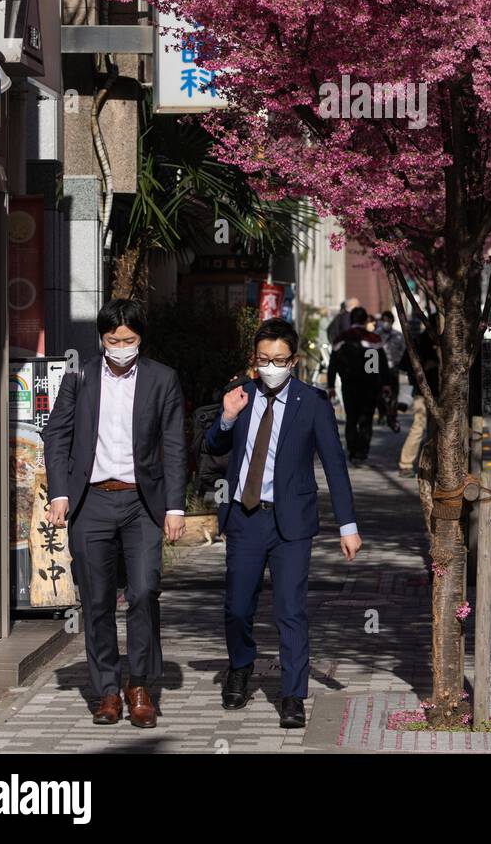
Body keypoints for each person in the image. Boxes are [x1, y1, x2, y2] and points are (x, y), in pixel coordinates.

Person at [205, 319, 361, 729]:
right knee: (238, 607)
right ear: (254, 360)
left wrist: (348, 524)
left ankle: (293, 693)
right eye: (263, 359)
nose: (270, 366)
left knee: (291, 611)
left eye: (278, 360)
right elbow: (212, 445)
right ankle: (240, 665)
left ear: (293, 360)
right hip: (244, 517)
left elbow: (335, 466)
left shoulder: (312, 402)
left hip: (291, 522)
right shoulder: (240, 392)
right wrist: (225, 417)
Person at [42, 298, 186, 728]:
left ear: (141, 338)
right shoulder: (80, 376)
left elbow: (175, 445)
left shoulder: (163, 379)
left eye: (129, 339)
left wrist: (175, 506)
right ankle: (107, 690)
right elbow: (56, 436)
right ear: (101, 339)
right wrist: (60, 493)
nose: (121, 346)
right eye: (113, 339)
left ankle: (139, 685)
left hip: (143, 503)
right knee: (98, 601)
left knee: (143, 592)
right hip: (92, 502)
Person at [327, 305, 384, 463]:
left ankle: (352, 451)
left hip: (348, 384)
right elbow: (380, 364)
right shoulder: (373, 339)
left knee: (351, 418)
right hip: (368, 386)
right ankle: (362, 451)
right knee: (366, 418)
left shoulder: (341, 339)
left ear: (351, 320)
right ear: (366, 320)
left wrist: (331, 386)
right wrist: (384, 384)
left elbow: (333, 365)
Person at [399, 321, 439, 477]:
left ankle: (421, 463)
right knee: (420, 426)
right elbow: (405, 365)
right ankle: (406, 463)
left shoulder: (422, 341)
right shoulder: (420, 342)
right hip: (424, 390)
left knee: (428, 428)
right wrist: (423, 367)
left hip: (434, 390)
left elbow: (403, 366)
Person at [377, 310, 405, 433]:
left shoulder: (398, 335)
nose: (386, 323)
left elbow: (403, 351)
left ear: (392, 322)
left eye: (388, 320)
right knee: (380, 393)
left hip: (393, 367)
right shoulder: (376, 335)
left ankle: (392, 416)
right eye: (384, 320)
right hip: (379, 369)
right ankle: (382, 413)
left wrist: (398, 363)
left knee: (394, 393)